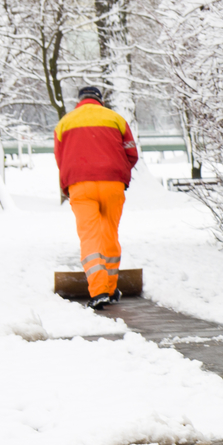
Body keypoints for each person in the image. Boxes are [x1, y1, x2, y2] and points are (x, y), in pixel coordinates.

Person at [54, 86, 138, 309]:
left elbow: (60, 159)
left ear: (79, 100)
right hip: (112, 184)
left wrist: (69, 183)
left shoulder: (65, 122)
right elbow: (132, 153)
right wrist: (118, 173)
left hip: (80, 185)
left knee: (90, 236)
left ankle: (98, 290)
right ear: (99, 100)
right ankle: (110, 289)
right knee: (109, 234)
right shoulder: (116, 119)